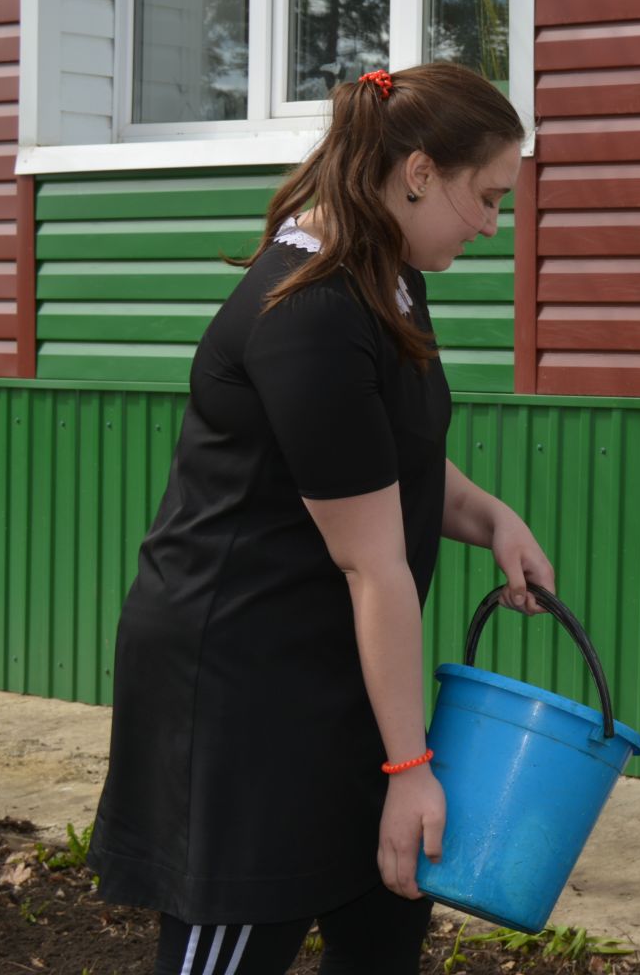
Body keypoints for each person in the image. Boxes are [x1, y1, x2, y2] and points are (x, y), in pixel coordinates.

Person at [87, 63, 557, 975]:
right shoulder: (309, 314)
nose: (494, 226)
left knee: (383, 930)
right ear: (418, 173)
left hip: (343, 669)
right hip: (246, 691)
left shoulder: (389, 279)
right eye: (488, 198)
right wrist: (408, 768)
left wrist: (491, 517)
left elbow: (389, 457)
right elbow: (372, 564)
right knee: (238, 943)